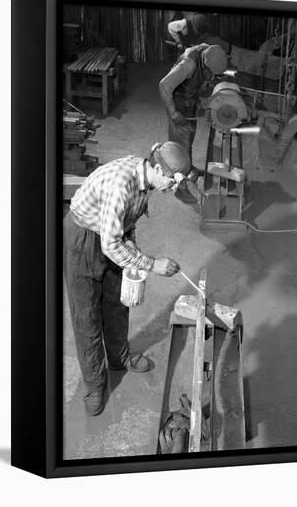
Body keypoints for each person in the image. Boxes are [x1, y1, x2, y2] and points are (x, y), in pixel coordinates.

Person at [64, 141, 191, 416]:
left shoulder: (145, 177)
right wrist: (152, 264)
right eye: (172, 181)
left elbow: (124, 223)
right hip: (83, 240)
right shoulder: (121, 185)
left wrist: (131, 243)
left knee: (117, 303)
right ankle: (95, 384)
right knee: (87, 316)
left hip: (110, 235)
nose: (172, 188)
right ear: (158, 168)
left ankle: (119, 358)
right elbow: (110, 245)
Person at [159, 43, 228, 201]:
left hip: (190, 102)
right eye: (211, 72)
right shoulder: (189, 65)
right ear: (205, 63)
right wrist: (173, 112)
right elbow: (164, 85)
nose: (212, 76)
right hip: (178, 105)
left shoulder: (209, 51)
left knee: (188, 139)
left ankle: (188, 168)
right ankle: (180, 188)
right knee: (179, 146)